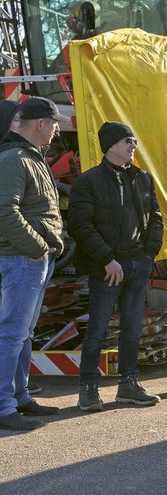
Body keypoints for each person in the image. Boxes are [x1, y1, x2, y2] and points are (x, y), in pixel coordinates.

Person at [68, 122, 163, 411]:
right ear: (110, 146)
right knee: (96, 330)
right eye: (127, 141)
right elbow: (80, 226)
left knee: (132, 329)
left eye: (133, 141)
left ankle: (128, 385)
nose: (133, 146)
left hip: (137, 265)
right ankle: (88, 389)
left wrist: (148, 256)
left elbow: (155, 218)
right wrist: (107, 259)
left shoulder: (142, 178)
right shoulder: (88, 182)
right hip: (105, 269)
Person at [0, 97, 67, 431]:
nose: (57, 130)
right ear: (40, 123)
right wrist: (38, 246)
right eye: (55, 123)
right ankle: (4, 406)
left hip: (31, 259)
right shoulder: (15, 159)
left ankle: (20, 398)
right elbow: (5, 211)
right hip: (22, 259)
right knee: (12, 333)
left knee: (22, 334)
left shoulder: (30, 158)